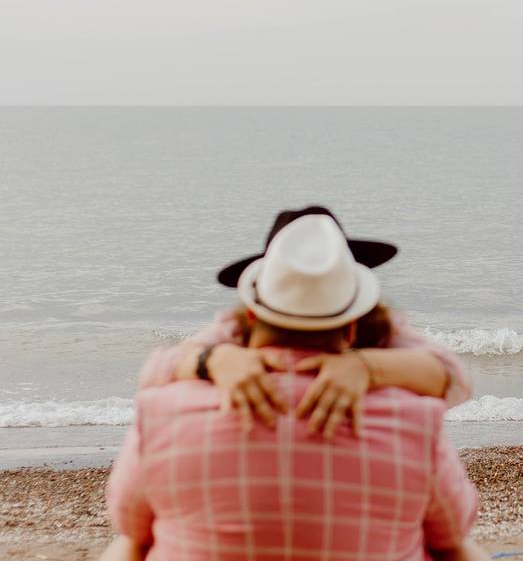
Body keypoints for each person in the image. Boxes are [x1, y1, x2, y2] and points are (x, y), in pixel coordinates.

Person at [105, 214, 484, 559]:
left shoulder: (162, 411)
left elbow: (128, 521)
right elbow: (452, 530)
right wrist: (371, 355)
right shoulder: (415, 420)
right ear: (354, 322)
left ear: (252, 312)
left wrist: (210, 357)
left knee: (133, 542)